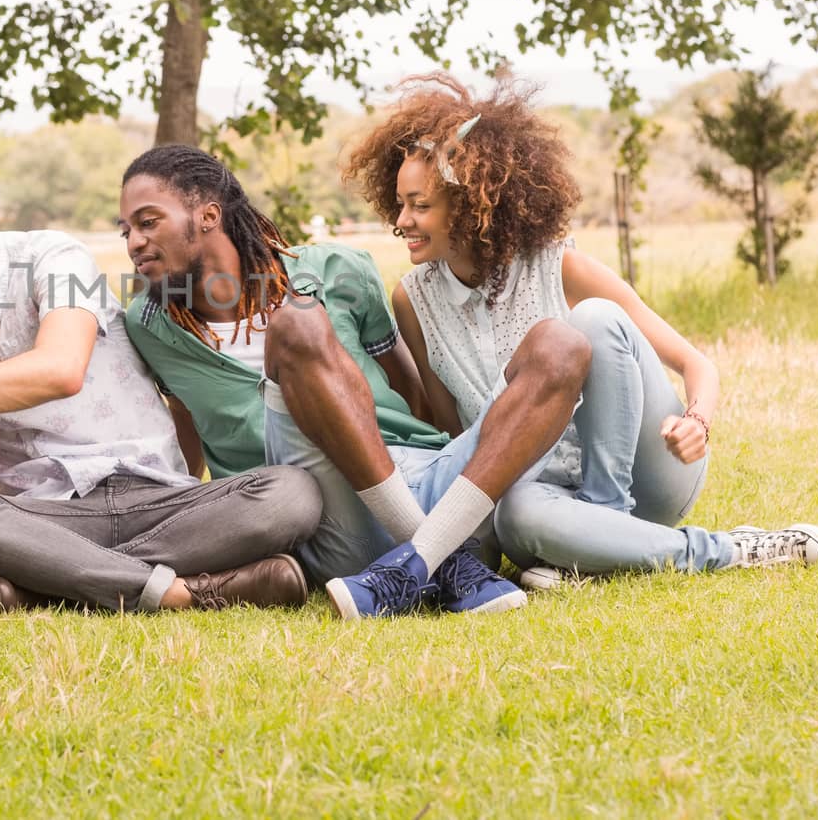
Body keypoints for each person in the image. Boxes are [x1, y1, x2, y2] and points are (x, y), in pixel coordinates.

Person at [341, 72, 818, 587]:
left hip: (649, 473)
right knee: (516, 518)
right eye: (400, 203)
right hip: (540, 494)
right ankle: (632, 552)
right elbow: (458, 436)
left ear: (468, 205)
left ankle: (633, 522)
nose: (402, 220)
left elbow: (696, 364)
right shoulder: (412, 301)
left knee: (594, 321)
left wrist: (698, 421)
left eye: (420, 205)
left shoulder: (557, 265)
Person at [119, 145, 602, 620]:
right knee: (297, 324)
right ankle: (443, 561)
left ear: (207, 215)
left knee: (560, 345)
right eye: (126, 231)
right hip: (325, 522)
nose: (134, 242)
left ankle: (419, 559)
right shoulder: (150, 323)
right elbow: (188, 423)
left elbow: (411, 397)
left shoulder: (338, 271)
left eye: (147, 222)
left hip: (435, 492)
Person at [0, 153, 320, 613]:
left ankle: (48, 583)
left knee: (291, 494)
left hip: (156, 498)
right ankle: (180, 592)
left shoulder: (51, 257)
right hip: (45, 516)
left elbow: (60, 370)